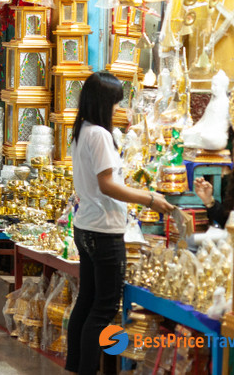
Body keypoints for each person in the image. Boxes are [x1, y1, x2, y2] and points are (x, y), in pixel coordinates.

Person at [66, 72, 174, 375]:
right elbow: (108, 185)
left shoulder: (83, 130)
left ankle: (75, 365)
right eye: (115, 102)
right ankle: (87, 368)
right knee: (103, 307)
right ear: (103, 102)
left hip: (86, 225)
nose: (119, 107)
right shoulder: (99, 134)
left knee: (87, 300)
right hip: (103, 230)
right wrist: (150, 198)